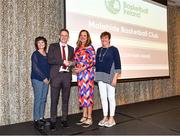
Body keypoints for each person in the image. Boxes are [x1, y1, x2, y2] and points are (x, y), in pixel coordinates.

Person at [48, 29, 74, 130]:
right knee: (54, 100)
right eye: (62, 35)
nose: (64, 37)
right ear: (59, 36)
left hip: (67, 77)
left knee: (65, 100)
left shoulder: (71, 49)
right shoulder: (53, 46)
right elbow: (50, 60)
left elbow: (74, 62)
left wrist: (71, 63)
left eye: (66, 35)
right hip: (56, 77)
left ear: (68, 37)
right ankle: (53, 121)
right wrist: (63, 61)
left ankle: (64, 119)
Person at [95, 31, 121, 127]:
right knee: (103, 98)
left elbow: (118, 64)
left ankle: (112, 118)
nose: (104, 39)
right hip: (100, 76)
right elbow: (96, 63)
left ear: (109, 39)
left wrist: (115, 78)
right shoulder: (98, 50)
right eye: (102, 38)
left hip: (110, 77)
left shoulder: (114, 49)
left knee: (110, 97)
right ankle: (105, 117)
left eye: (106, 38)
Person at [73, 30, 96, 128]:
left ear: (88, 37)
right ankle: (84, 115)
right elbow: (75, 61)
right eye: (81, 35)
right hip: (80, 75)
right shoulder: (77, 48)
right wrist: (74, 68)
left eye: (85, 35)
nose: (83, 37)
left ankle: (90, 117)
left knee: (88, 95)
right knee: (82, 95)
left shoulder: (90, 48)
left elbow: (92, 61)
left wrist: (82, 68)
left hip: (88, 74)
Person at [31, 36, 50, 130]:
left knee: (43, 99)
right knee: (38, 99)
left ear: (45, 44)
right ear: (36, 44)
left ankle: (41, 118)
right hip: (37, 79)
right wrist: (44, 78)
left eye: (42, 42)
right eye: (39, 43)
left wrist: (49, 78)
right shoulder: (35, 54)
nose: (41, 44)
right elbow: (35, 68)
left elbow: (49, 68)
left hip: (47, 80)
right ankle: (36, 119)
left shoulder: (47, 55)